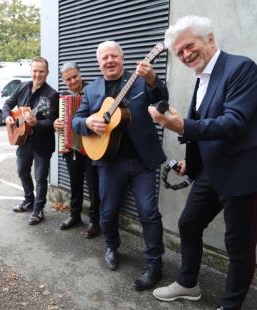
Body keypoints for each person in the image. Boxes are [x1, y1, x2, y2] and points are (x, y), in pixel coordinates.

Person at [149, 15, 257, 310]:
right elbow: (205, 130)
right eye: (179, 52)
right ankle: (188, 283)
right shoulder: (202, 76)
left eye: (188, 46)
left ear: (210, 39)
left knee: (239, 247)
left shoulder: (241, 68)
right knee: (188, 223)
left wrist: (180, 124)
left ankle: (229, 306)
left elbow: (233, 123)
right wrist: (190, 163)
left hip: (242, 174)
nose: (185, 55)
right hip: (210, 172)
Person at [72, 41, 168, 291]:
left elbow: (161, 100)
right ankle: (112, 247)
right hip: (108, 161)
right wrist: (88, 123)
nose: (109, 61)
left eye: (114, 56)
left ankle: (154, 265)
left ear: (122, 59)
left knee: (148, 212)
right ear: (99, 63)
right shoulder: (91, 90)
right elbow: (75, 121)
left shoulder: (139, 80)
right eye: (104, 58)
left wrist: (153, 80)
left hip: (141, 161)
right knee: (108, 211)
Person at [2, 56, 59, 225]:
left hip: (42, 143)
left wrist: (36, 124)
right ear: (31, 71)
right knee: (22, 172)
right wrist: (7, 118)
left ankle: (38, 209)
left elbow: (52, 122)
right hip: (23, 140)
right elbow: (7, 104)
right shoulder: (22, 87)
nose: (37, 74)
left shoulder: (52, 95)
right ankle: (29, 200)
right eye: (35, 71)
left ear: (47, 73)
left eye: (41, 71)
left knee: (40, 178)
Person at [53, 62, 101, 238]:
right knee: (75, 184)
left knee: (94, 186)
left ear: (80, 74)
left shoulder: (94, 91)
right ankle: (74, 216)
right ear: (63, 80)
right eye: (68, 79)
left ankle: (95, 222)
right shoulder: (63, 99)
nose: (73, 81)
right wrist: (56, 124)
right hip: (71, 147)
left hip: (92, 147)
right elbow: (58, 121)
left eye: (75, 76)